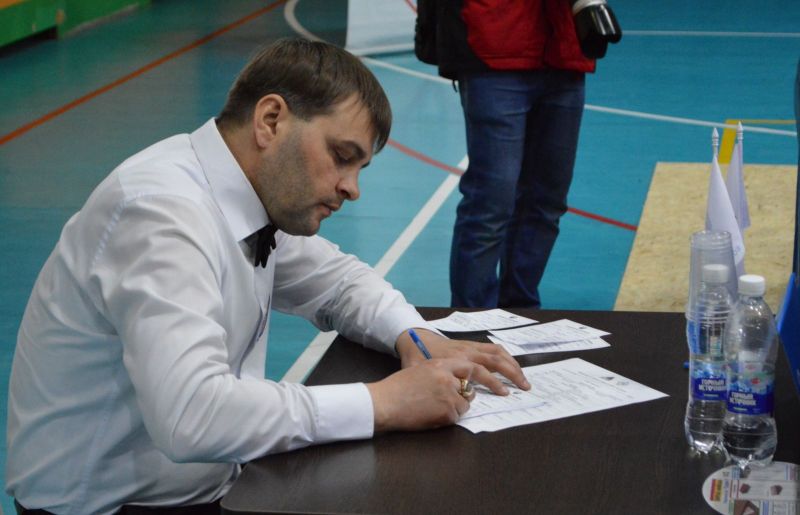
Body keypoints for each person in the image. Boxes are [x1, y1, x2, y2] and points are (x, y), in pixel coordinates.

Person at [6, 38, 530, 515]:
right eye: (342, 156)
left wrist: (414, 336)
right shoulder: (161, 213)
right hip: (106, 507)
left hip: (200, 487)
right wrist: (387, 401)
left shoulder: (248, 194)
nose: (352, 188)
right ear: (271, 120)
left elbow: (339, 282)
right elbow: (192, 416)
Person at [415, 0, 596, 308]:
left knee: (547, 201)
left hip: (564, 51)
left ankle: (521, 312)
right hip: (494, 47)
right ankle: (473, 320)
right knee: (491, 201)